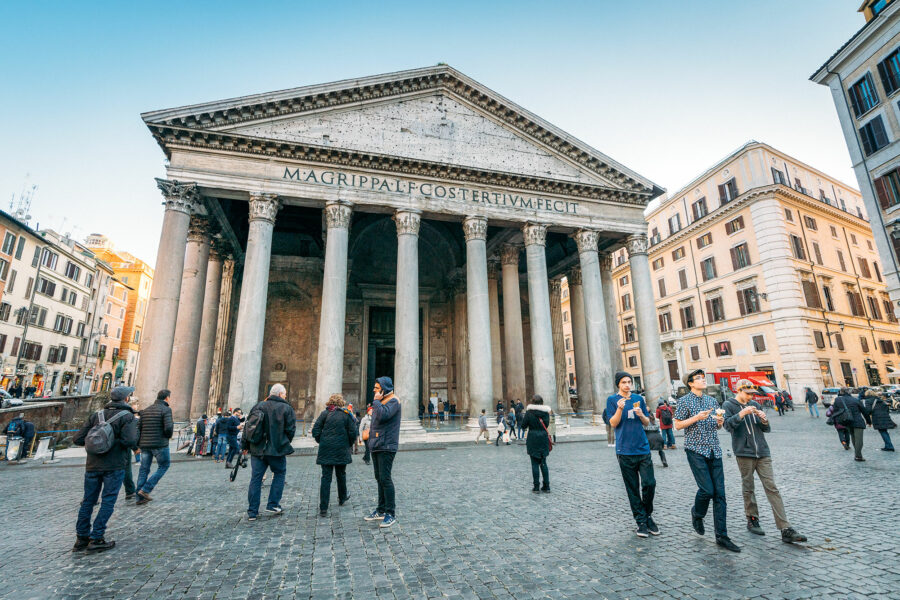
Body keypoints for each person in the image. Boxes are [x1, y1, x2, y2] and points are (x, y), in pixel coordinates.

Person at [723, 380, 807, 544]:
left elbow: (766, 429)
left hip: (762, 451)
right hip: (744, 452)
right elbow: (727, 425)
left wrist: (764, 420)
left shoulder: (755, 404)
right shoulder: (729, 405)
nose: (750, 397)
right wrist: (741, 414)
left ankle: (785, 528)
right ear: (738, 391)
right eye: (747, 393)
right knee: (748, 486)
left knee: (772, 487)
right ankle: (752, 518)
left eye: (752, 394)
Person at [674, 369, 741, 552]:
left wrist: (719, 422)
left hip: (714, 449)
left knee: (720, 494)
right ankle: (697, 513)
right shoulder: (684, 401)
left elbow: (716, 426)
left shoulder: (712, 400)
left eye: (703, 378)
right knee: (707, 490)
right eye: (698, 379)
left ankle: (722, 536)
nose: (703, 381)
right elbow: (678, 425)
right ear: (690, 383)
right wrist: (696, 417)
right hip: (695, 449)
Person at [72, 385, 138, 553]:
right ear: (126, 399)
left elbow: (78, 439)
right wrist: (114, 444)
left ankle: (81, 539)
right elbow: (130, 441)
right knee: (108, 501)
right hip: (114, 465)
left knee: (88, 501)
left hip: (93, 465)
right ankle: (96, 538)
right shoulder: (127, 416)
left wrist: (98, 444)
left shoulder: (97, 415)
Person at [607, 372, 658, 536]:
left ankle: (648, 514)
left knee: (649, 483)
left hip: (642, 448)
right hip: (624, 450)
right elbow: (613, 423)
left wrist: (642, 414)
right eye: (624, 382)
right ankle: (641, 521)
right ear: (618, 385)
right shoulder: (612, 400)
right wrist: (620, 409)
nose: (627, 385)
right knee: (633, 489)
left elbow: (647, 422)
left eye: (629, 382)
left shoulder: (639, 399)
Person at [243, 383, 296, 521]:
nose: (285, 396)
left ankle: (252, 512)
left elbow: (248, 428)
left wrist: (246, 445)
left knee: (256, 479)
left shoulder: (258, 406)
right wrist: (284, 442)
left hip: (257, 449)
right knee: (279, 473)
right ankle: (273, 504)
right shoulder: (286, 408)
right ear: (280, 394)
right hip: (276, 450)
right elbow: (291, 430)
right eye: (284, 394)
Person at [364, 376, 401, 528]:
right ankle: (381, 510)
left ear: (384, 389)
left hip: (387, 445)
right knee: (379, 477)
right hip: (378, 444)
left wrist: (377, 402)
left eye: (376, 388)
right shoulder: (383, 402)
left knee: (385, 478)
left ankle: (390, 513)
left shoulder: (393, 401)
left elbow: (382, 415)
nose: (374, 390)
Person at [312, 393, 357, 517]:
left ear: (330, 402)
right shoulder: (346, 415)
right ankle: (342, 497)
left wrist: (322, 441)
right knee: (341, 475)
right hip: (341, 450)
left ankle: (323, 508)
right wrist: (348, 443)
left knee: (326, 478)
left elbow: (315, 430)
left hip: (326, 449)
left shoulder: (324, 414)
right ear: (341, 402)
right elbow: (353, 432)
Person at [135, 389, 174, 505]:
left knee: (144, 469)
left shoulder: (146, 410)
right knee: (164, 466)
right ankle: (145, 490)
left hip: (145, 445)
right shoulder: (166, 410)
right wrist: (167, 436)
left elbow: (139, 428)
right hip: (159, 444)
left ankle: (139, 497)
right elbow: (168, 428)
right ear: (167, 398)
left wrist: (138, 445)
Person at [522, 395, 551, 493]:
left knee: (534, 464)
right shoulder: (546, 413)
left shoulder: (529, 413)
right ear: (542, 402)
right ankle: (546, 486)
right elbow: (546, 424)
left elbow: (523, 425)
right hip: (543, 438)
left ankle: (536, 487)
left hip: (533, 438)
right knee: (543, 463)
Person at [835, 387, 869, 461]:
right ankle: (858, 455)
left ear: (841, 392)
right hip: (857, 421)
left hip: (846, 421)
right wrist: (868, 421)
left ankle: (857, 454)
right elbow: (864, 411)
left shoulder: (837, 400)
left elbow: (835, 410)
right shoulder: (855, 400)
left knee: (853, 437)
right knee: (859, 439)